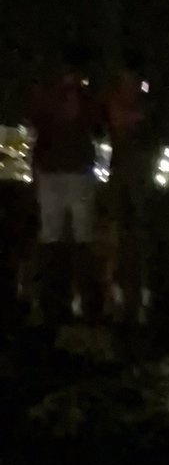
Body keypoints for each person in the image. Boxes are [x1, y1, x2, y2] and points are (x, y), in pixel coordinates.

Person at [30, 45, 99, 325]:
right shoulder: (83, 96)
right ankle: (83, 304)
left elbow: (38, 125)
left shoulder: (48, 94)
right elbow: (95, 126)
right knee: (80, 238)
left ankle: (51, 302)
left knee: (52, 236)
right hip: (75, 171)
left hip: (54, 171)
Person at [104, 51, 156, 324]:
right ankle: (125, 289)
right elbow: (129, 122)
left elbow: (123, 122)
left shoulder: (124, 97)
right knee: (127, 230)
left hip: (129, 169)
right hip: (131, 169)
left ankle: (124, 288)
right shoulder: (138, 98)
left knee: (128, 230)